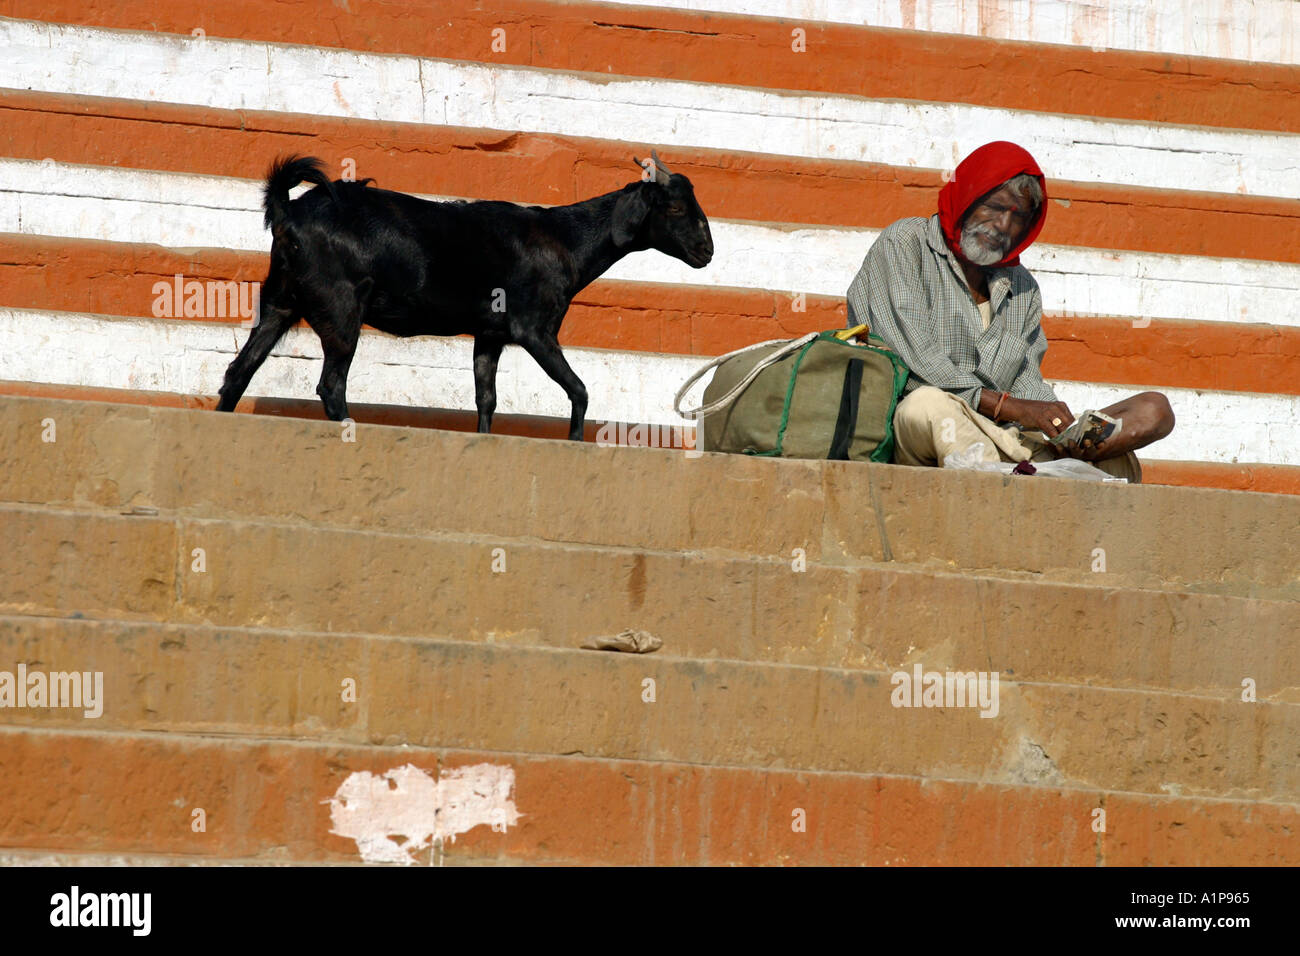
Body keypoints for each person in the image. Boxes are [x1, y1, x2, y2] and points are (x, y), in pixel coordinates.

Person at [845, 141, 1173, 481]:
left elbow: (1025, 381)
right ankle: (1003, 492)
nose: (1002, 225)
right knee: (929, 405)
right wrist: (1006, 406)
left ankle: (1027, 480)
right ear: (968, 198)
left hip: (1001, 435)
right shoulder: (905, 244)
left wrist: (1057, 425)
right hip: (911, 428)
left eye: (1018, 217)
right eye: (994, 207)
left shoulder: (1022, 287)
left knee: (1147, 419)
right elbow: (915, 361)